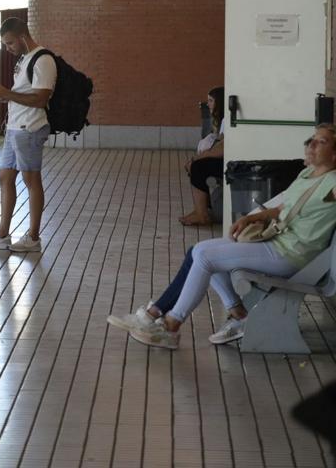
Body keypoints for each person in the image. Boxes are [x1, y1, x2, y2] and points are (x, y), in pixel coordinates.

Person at [109, 123, 336, 350]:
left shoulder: (333, 182)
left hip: (290, 255)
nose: (312, 144)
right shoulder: (308, 173)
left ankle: (170, 326)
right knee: (199, 250)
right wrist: (249, 219)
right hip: (277, 242)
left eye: (322, 142)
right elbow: (283, 208)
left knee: (206, 257)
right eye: (312, 138)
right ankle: (238, 314)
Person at [0, 18, 57, 253]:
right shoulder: (24, 59)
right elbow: (23, 93)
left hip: (30, 128)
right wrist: (3, 95)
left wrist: (8, 94)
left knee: (31, 180)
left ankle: (33, 237)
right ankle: (2, 234)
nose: (8, 48)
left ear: (22, 36)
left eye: (10, 42)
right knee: (4, 177)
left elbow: (41, 99)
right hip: (15, 127)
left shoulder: (43, 60)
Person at [181, 86, 225, 226]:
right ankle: (200, 209)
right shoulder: (223, 121)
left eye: (211, 101)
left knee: (199, 167)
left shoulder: (227, 121)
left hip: (229, 161)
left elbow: (222, 148)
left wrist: (197, 158)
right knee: (198, 165)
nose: (208, 104)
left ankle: (202, 213)